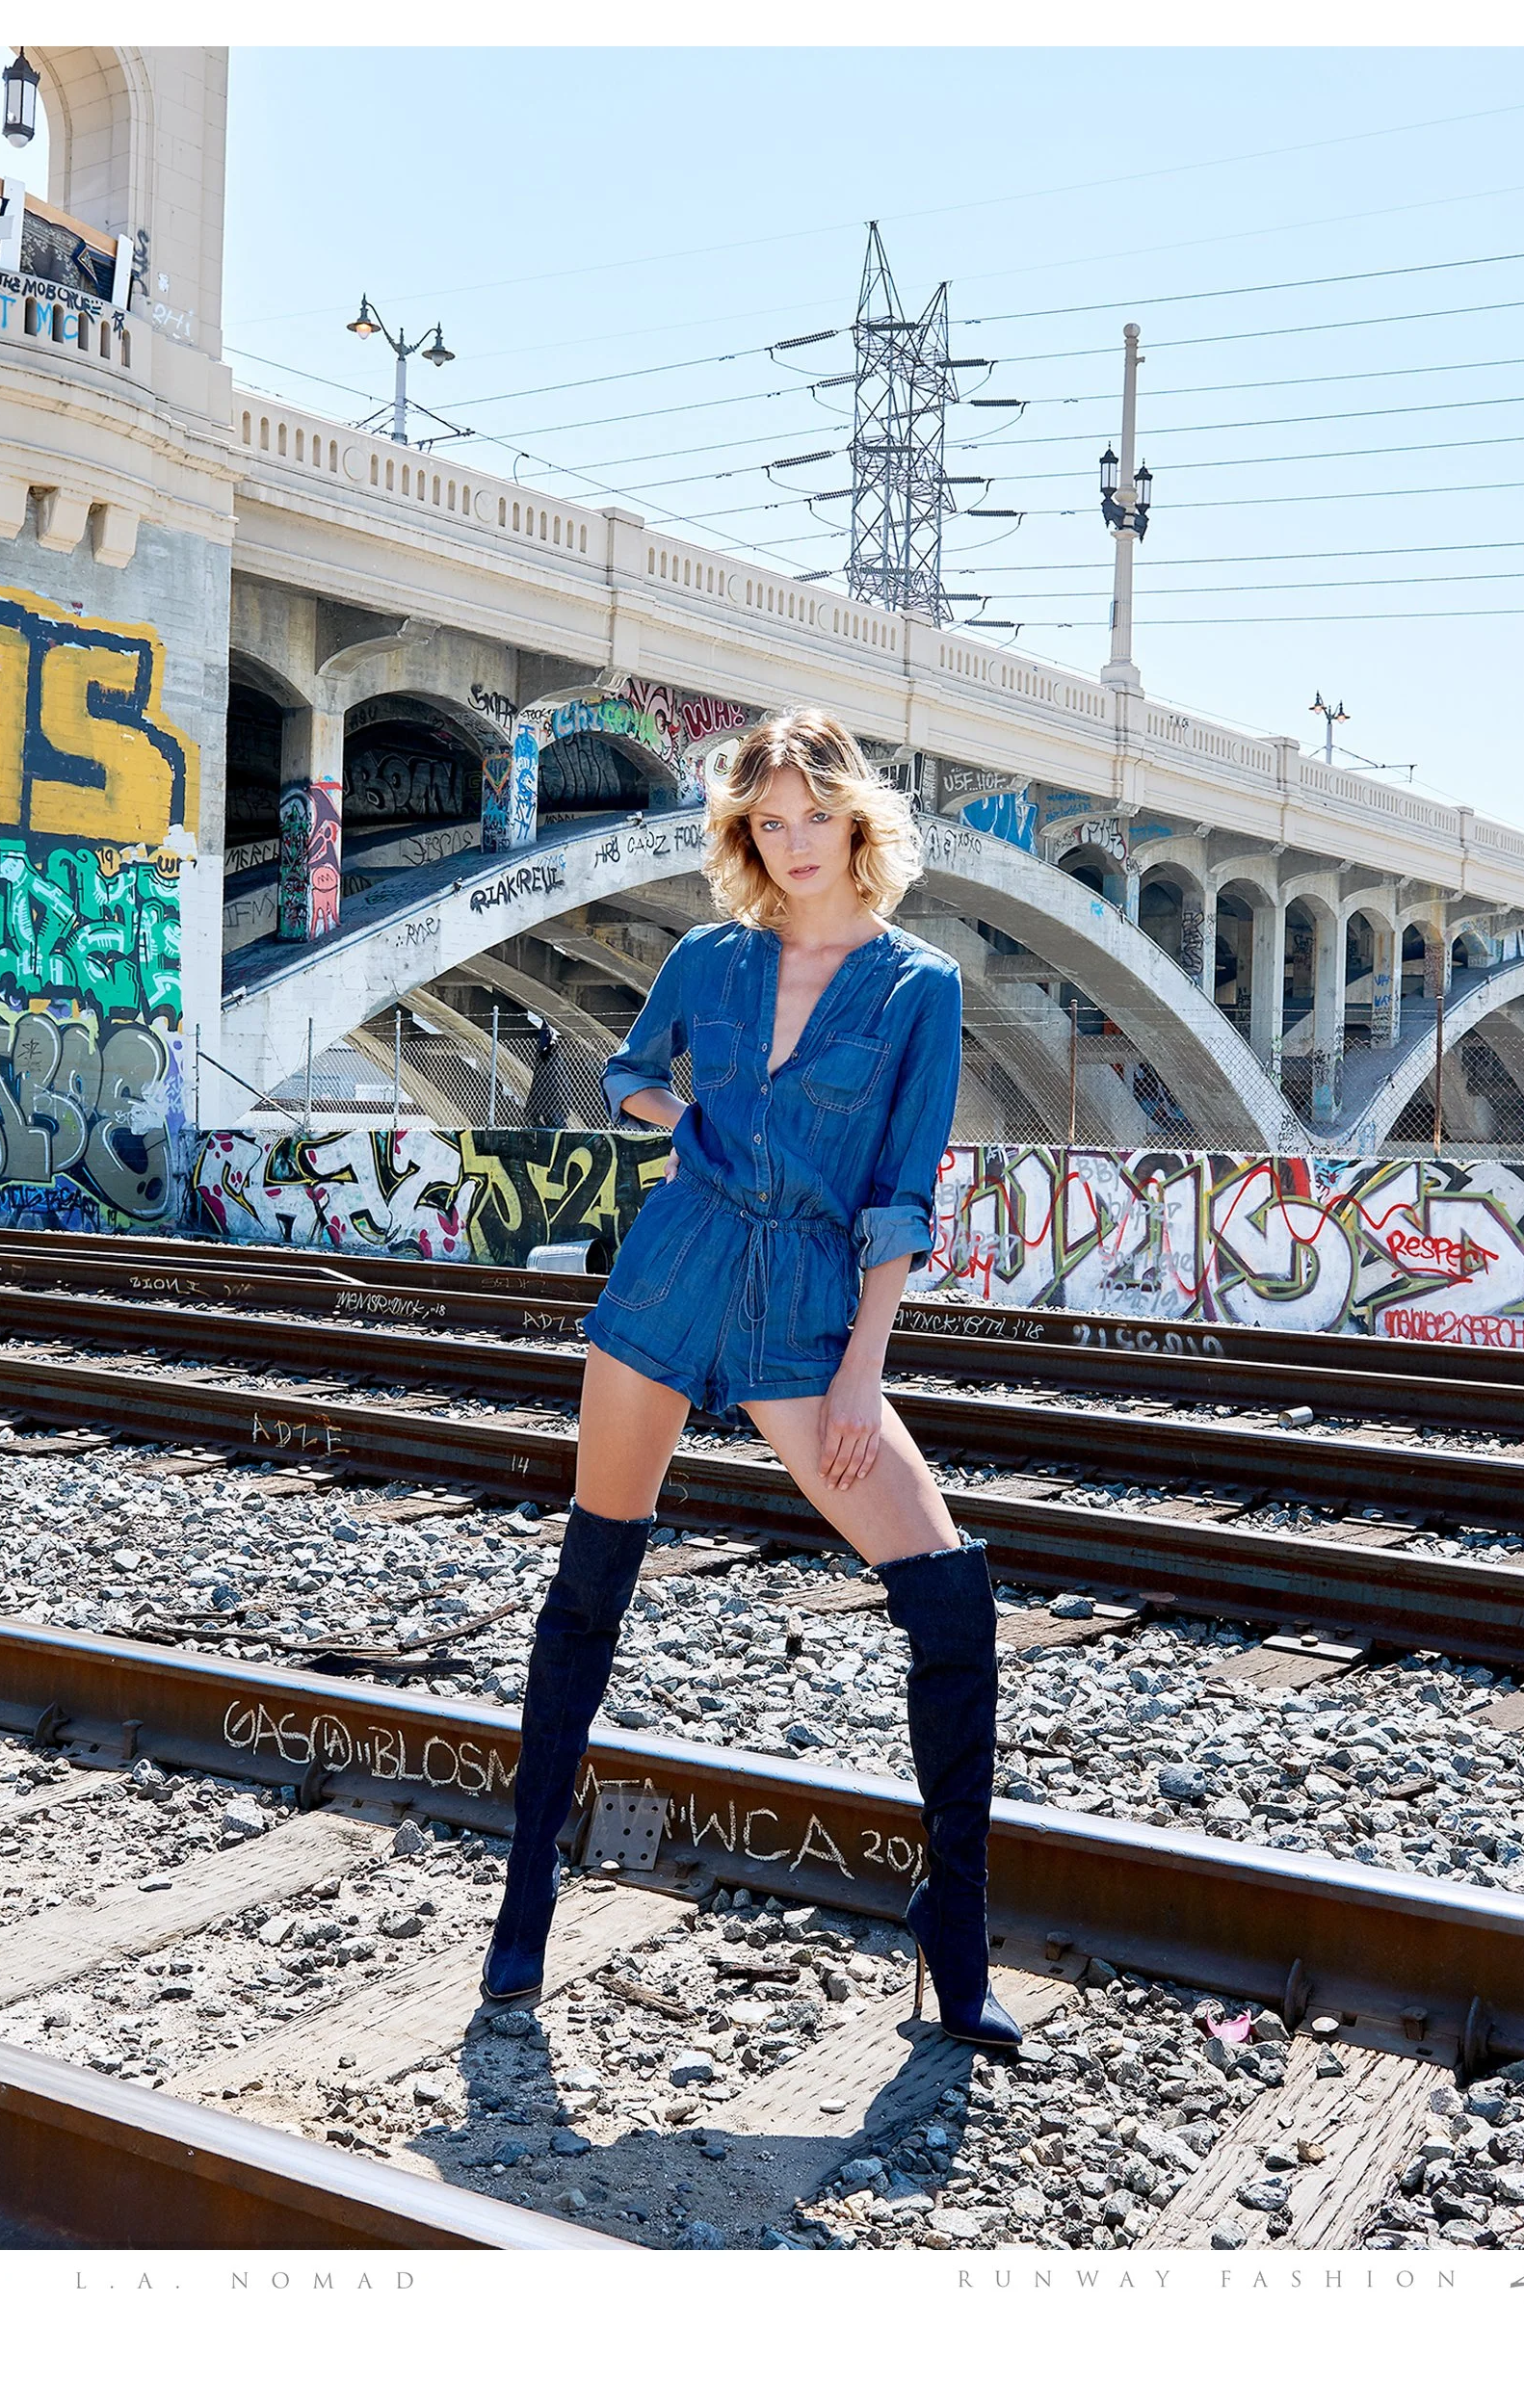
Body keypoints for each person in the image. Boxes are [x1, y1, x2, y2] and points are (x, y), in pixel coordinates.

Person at [480, 708, 1022, 2053]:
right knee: (589, 1586)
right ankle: (525, 1903)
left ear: (858, 821)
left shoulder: (916, 987)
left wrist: (862, 1373)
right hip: (671, 1276)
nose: (793, 845)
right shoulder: (709, 958)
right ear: (744, 833)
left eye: (814, 818)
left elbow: (902, 1196)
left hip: (806, 1309)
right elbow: (623, 1070)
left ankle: (954, 1930)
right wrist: (683, 1119)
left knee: (949, 1596)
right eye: (768, 823)